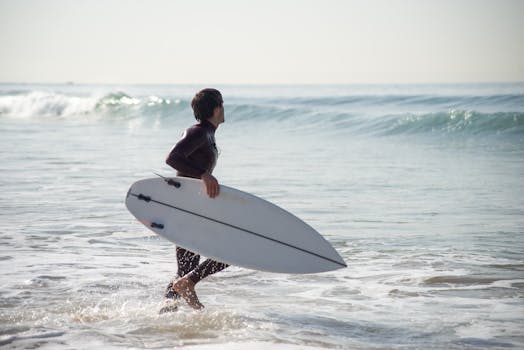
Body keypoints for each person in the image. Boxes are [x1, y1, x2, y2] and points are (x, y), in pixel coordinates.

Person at [163, 88, 228, 310]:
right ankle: (188, 283)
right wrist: (203, 174)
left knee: (185, 267)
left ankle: (164, 313)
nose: (224, 109)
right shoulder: (198, 132)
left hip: (188, 207)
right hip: (186, 208)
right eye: (222, 104)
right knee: (229, 250)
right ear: (217, 108)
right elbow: (172, 158)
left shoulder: (207, 134)